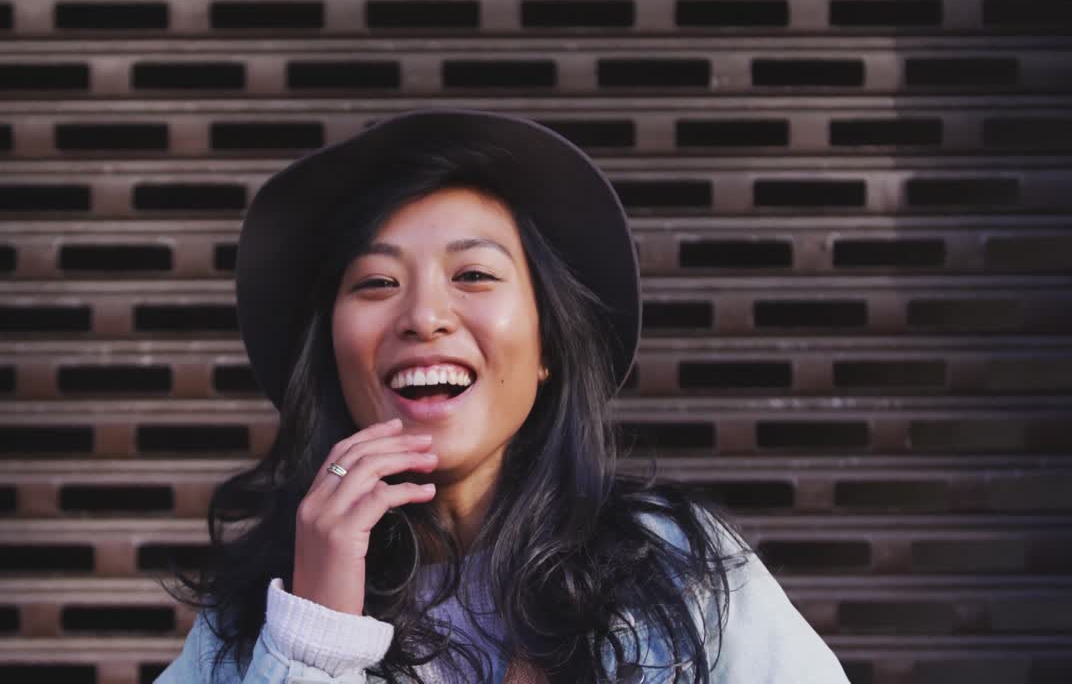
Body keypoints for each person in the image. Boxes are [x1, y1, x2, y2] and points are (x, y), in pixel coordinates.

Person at [155, 109, 849, 684]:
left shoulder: (677, 570)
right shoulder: (251, 617)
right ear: (331, 354)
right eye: (375, 283)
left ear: (548, 346)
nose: (424, 316)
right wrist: (312, 639)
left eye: (475, 275)